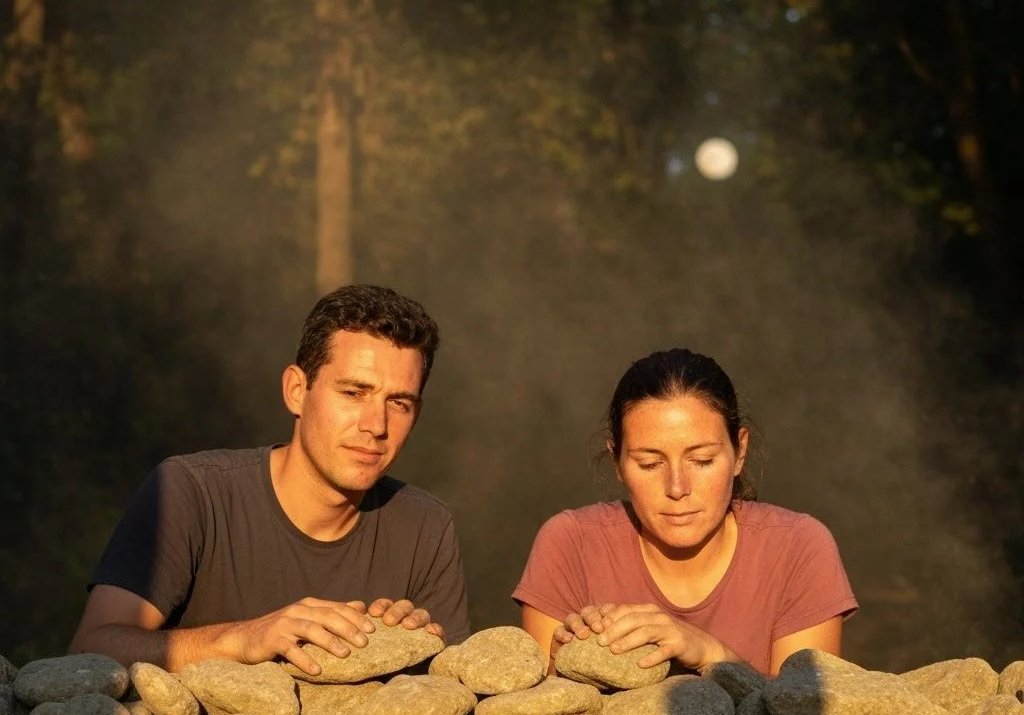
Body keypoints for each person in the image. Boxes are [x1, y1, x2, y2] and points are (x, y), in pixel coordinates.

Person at [69, 284, 471, 675]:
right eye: (353, 393)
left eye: (398, 403)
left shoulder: (426, 528)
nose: (376, 425)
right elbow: (90, 649)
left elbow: (451, 704)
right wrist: (242, 640)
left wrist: (415, 650)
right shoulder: (191, 491)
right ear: (296, 390)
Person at [514, 348, 857, 677]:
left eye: (702, 460)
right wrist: (560, 665)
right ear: (617, 461)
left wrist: (711, 654)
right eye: (649, 464)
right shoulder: (570, 544)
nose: (677, 488)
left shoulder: (798, 548)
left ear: (740, 452)